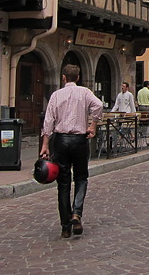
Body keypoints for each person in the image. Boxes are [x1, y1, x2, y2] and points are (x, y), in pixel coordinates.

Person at [40, 64, 103, 238]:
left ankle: (65, 227)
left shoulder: (56, 95)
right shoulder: (84, 92)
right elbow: (98, 105)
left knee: (63, 183)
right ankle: (77, 212)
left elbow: (48, 120)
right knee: (81, 177)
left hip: (60, 140)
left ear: (63, 77)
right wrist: (93, 125)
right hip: (79, 140)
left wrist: (45, 144)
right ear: (78, 77)